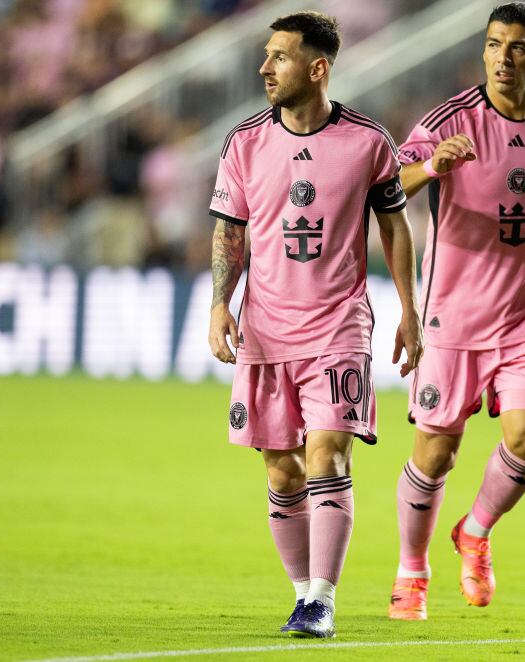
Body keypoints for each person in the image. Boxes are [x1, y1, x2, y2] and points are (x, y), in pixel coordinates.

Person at [207, 11, 423, 638]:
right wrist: (220, 304)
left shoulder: (368, 142)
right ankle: (303, 594)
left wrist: (409, 309)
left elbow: (394, 226)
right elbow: (229, 231)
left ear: (317, 67)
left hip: (338, 325)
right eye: (267, 55)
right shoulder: (244, 142)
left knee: (327, 453)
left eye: (279, 56)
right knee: (282, 469)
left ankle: (323, 600)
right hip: (266, 328)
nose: (265, 67)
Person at [388, 2, 525, 621]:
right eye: (494, 44)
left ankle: (475, 530)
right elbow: (387, 183)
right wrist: (433, 166)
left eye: (517, 47)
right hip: (452, 317)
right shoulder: (449, 120)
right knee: (436, 454)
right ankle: (412, 571)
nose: (504, 57)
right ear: (483, 51)